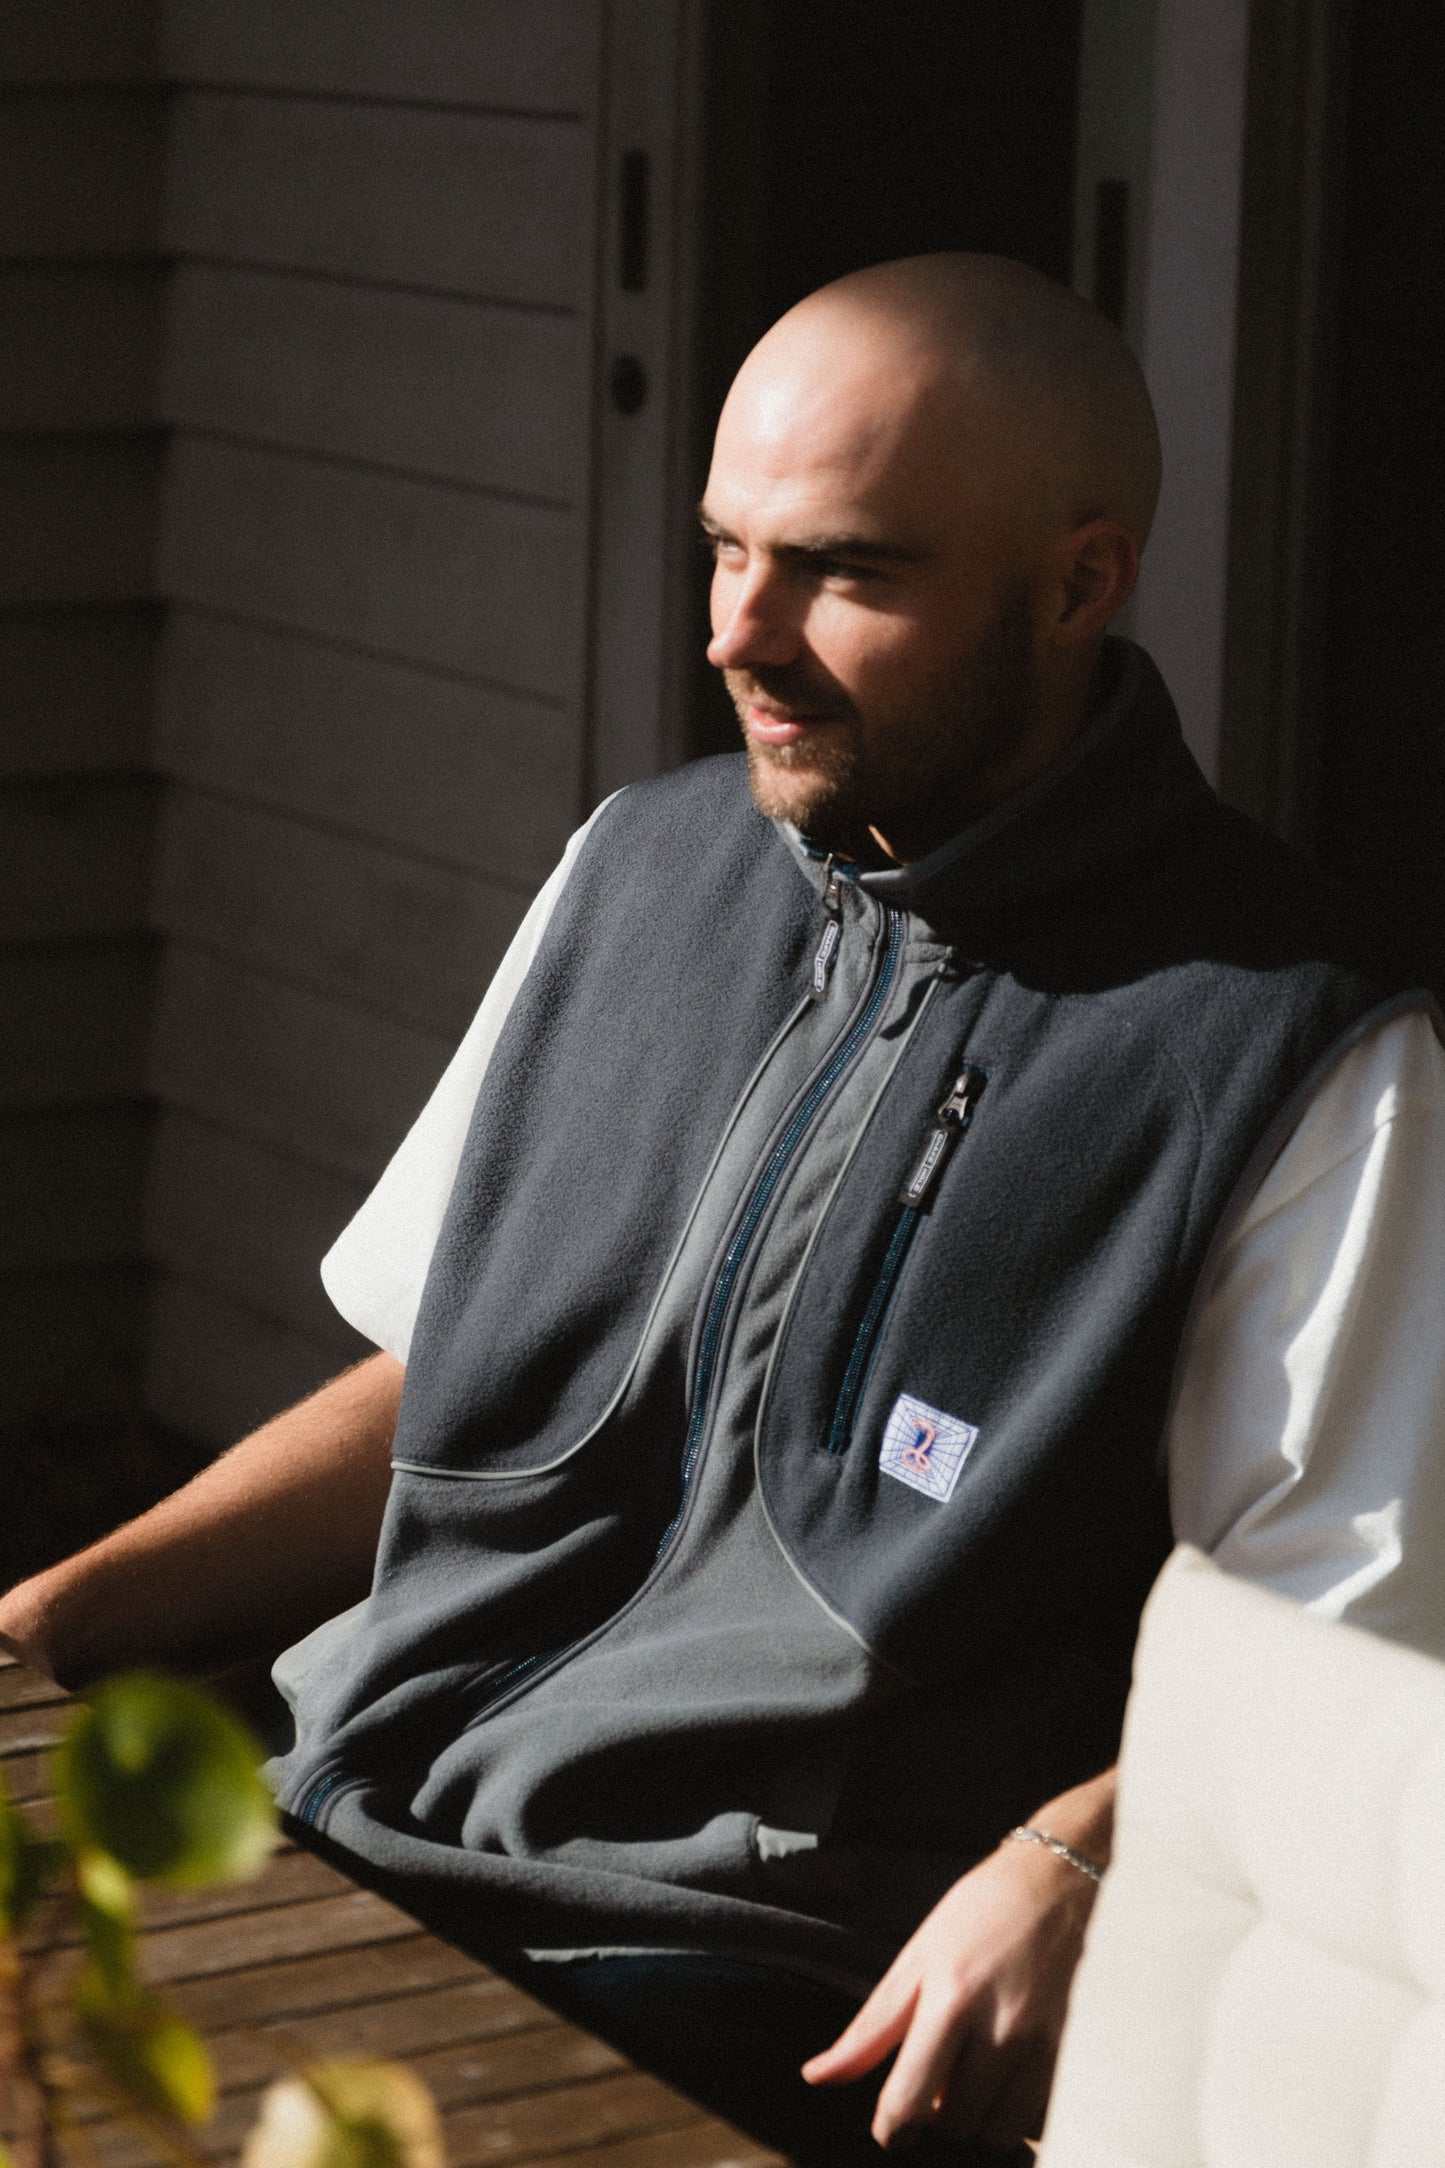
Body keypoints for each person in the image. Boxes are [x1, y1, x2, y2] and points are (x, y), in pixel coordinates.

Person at [5, 254, 1444, 2165]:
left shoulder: (1292, 1050)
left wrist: (1077, 1857)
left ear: (1079, 582)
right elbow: (453, 1382)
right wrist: (48, 1621)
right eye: (723, 548)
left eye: (843, 572)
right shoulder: (639, 871)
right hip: (339, 1819)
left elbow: (1345, 1648)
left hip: (747, 1967)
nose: (738, 634)